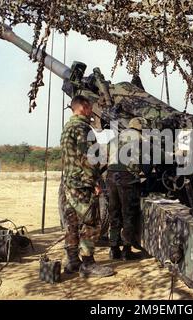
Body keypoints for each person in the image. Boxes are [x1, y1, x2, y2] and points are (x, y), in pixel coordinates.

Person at [60, 95, 114, 277]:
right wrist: (95, 182)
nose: (92, 109)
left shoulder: (67, 128)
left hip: (69, 183)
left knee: (71, 223)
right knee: (91, 223)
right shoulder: (83, 128)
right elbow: (89, 158)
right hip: (83, 185)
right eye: (90, 106)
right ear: (83, 106)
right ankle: (88, 264)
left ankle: (73, 262)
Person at [107, 117, 147, 260]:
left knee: (114, 212)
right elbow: (150, 157)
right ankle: (126, 250)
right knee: (128, 213)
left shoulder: (117, 137)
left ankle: (113, 248)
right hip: (127, 178)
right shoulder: (139, 137)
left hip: (111, 176)